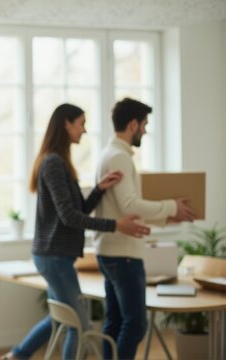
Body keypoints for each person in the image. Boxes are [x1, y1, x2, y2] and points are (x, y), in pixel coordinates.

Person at [1, 103, 150, 360]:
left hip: (55, 255)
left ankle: (17, 355)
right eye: (81, 123)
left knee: (61, 318)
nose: (85, 130)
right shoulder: (53, 164)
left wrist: (99, 189)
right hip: (54, 256)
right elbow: (70, 217)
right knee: (78, 324)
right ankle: (17, 355)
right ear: (66, 124)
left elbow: (78, 208)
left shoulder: (59, 163)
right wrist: (116, 225)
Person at [94, 98, 195, 359]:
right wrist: (171, 207)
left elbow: (121, 209)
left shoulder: (109, 154)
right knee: (136, 324)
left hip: (109, 250)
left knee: (114, 322)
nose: (145, 131)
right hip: (124, 255)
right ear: (133, 124)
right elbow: (129, 207)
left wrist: (165, 218)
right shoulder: (119, 157)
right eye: (144, 125)